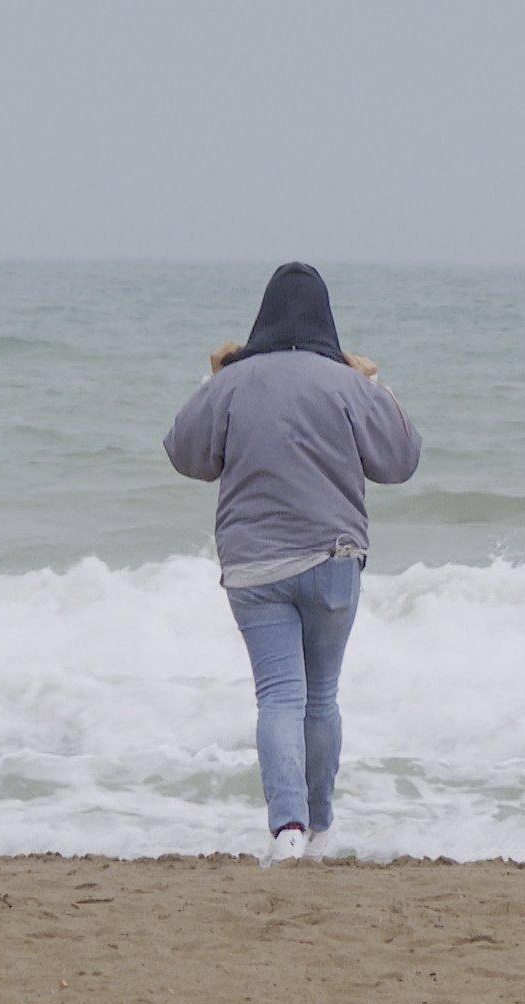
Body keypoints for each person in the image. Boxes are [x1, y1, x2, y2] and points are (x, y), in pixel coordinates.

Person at [163, 262, 422, 866]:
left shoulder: (233, 382)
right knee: (322, 696)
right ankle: (322, 827)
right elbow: (402, 459)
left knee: (279, 697)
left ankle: (288, 831)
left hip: (254, 569)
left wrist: (211, 381)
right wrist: (373, 382)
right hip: (334, 557)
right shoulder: (346, 383)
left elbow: (185, 454)